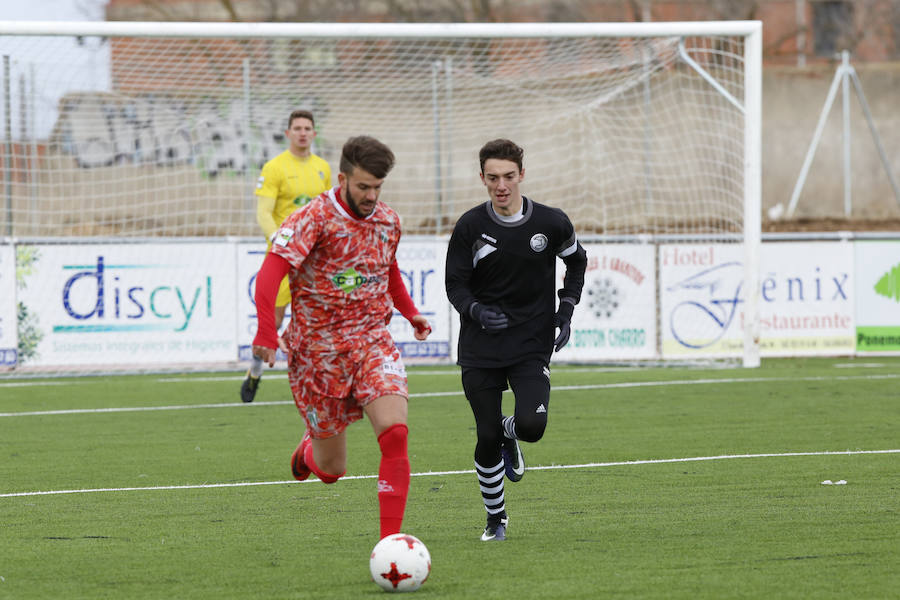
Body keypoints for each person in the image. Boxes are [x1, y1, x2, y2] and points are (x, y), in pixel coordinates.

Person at [252, 135, 431, 540]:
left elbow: (388, 271)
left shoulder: (388, 221)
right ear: (343, 178)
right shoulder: (312, 218)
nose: (371, 196)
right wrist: (265, 330)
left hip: (372, 342)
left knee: (396, 434)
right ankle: (309, 451)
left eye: (377, 187)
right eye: (363, 186)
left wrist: (411, 313)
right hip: (318, 354)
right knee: (332, 471)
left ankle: (390, 546)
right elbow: (271, 272)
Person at [445, 138, 587, 542]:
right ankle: (496, 519)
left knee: (532, 425)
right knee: (485, 435)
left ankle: (512, 433)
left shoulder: (551, 223)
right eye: (493, 177)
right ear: (482, 178)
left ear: (521, 175)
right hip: (480, 346)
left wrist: (566, 311)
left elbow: (577, 262)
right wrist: (475, 311)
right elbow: (455, 285)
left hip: (530, 343)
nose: (501, 184)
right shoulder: (471, 227)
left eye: (509, 176)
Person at [241, 109, 332, 403]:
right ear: (288, 133)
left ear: (314, 134)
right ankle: (255, 371)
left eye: (308, 128)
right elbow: (263, 213)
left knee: (319, 321)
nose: (303, 132)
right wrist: (281, 241)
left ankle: (321, 379)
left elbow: (327, 212)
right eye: (298, 128)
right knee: (272, 323)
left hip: (312, 261)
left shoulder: (322, 168)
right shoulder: (275, 167)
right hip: (282, 259)